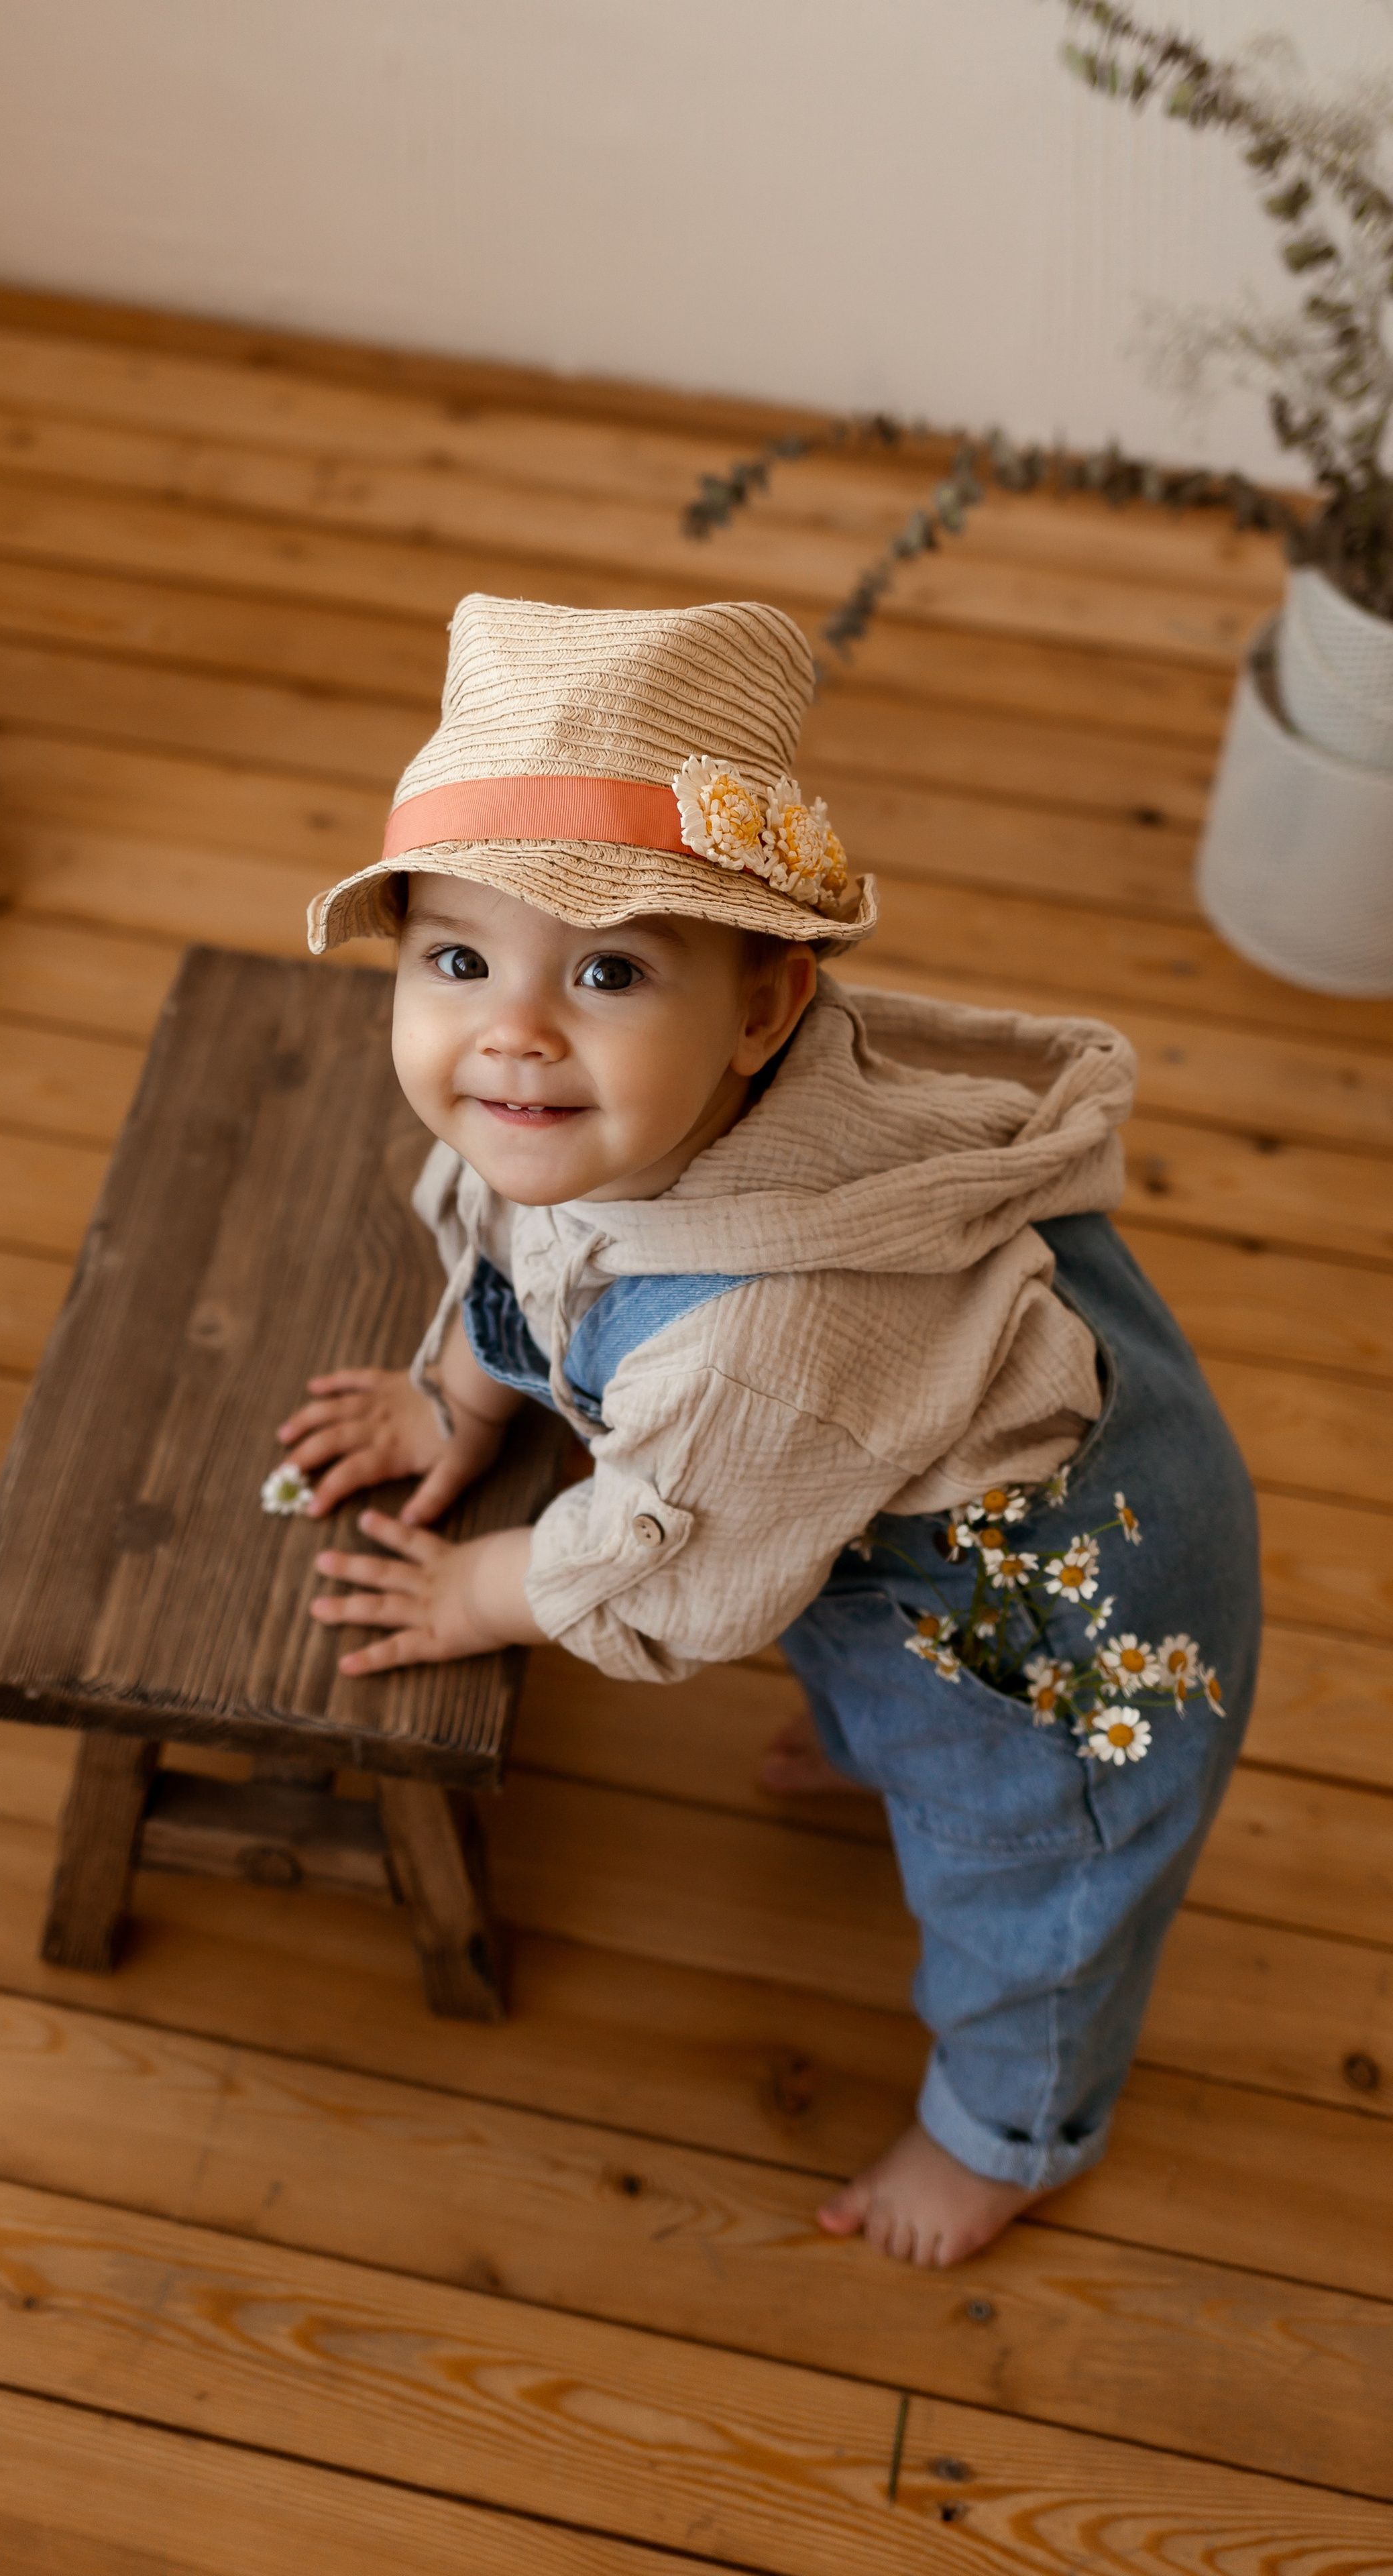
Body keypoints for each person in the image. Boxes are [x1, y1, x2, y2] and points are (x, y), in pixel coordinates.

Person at [275, 593, 1260, 2268]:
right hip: (863, 1507)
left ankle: (1008, 2129)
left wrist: (479, 1590)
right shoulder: (579, 1117)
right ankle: (879, 1737)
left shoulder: (760, 1343)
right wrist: (455, 1394)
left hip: (1050, 1633)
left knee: (1028, 1886)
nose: (511, 1032)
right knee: (841, 1624)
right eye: (456, 959)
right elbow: (513, 1244)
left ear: (759, 1010)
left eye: (605, 970)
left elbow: (665, 1568)